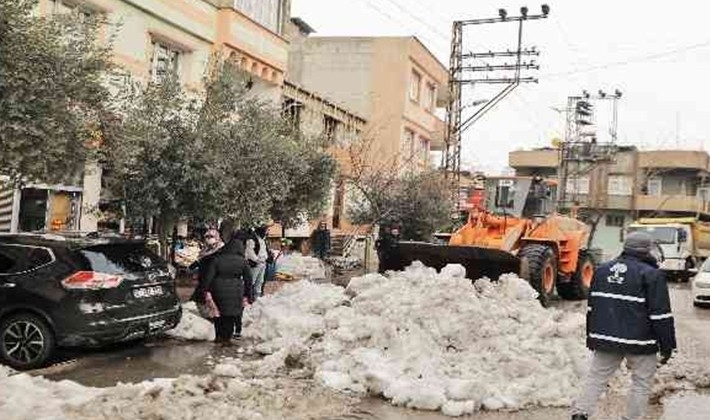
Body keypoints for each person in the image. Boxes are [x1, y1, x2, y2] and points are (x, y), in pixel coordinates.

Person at [571, 232, 676, 420]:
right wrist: (667, 345)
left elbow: (593, 307)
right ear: (646, 250)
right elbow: (661, 315)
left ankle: (580, 414)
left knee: (596, 378)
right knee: (641, 383)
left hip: (606, 339)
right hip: (641, 342)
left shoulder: (602, 270)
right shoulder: (652, 275)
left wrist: (592, 337)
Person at [200, 237, 254, 344]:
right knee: (231, 316)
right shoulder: (242, 261)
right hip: (236, 291)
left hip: (218, 289)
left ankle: (218, 337)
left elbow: (208, 277)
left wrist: (205, 290)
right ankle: (227, 339)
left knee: (218, 314)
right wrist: (249, 295)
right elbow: (249, 280)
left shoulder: (217, 259)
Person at [245, 225, 269, 300]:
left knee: (260, 281)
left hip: (263, 263)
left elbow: (264, 251)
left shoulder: (262, 240)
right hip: (256, 264)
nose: (267, 232)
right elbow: (249, 252)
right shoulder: (252, 239)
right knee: (252, 281)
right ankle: (249, 298)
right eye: (266, 230)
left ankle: (257, 298)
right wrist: (257, 260)